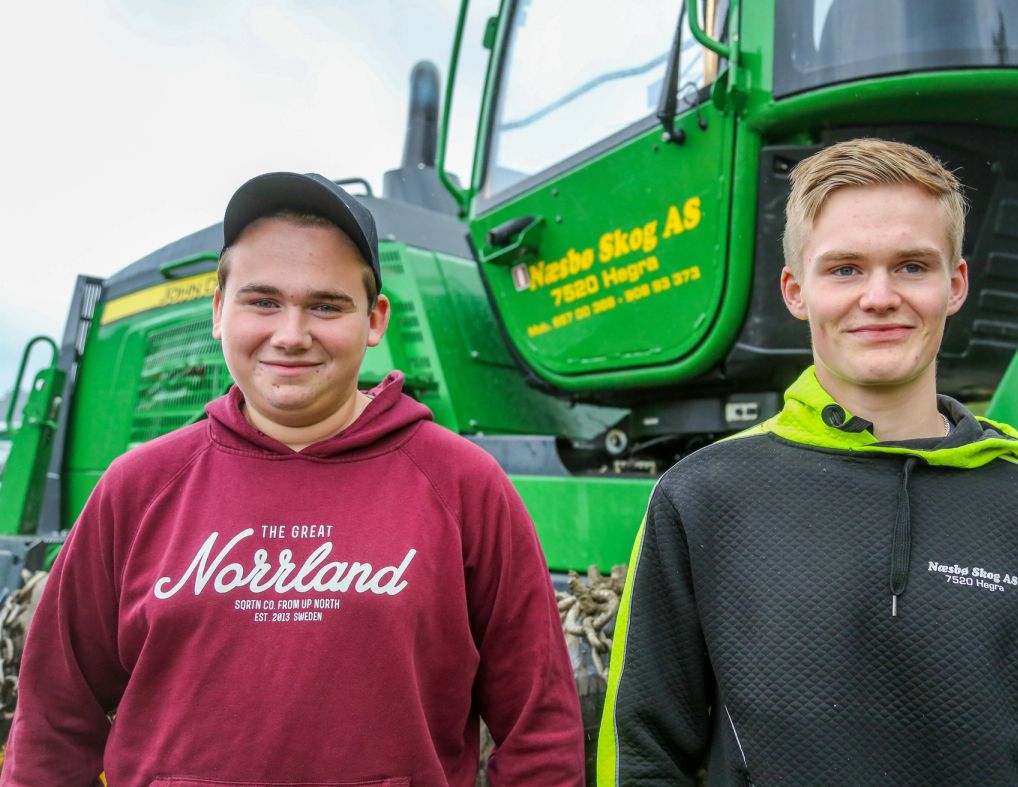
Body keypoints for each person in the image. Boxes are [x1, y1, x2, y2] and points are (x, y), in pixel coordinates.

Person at [3, 172, 584, 786]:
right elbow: (53, 720)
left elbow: (538, 726)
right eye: (262, 301)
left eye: (325, 306)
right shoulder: (138, 487)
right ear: (218, 312)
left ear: (376, 319)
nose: (290, 334)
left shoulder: (464, 486)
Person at [597, 139, 1018, 785]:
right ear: (797, 291)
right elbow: (642, 756)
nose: (879, 296)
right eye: (845, 269)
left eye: (912, 266)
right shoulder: (702, 499)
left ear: (955, 283)